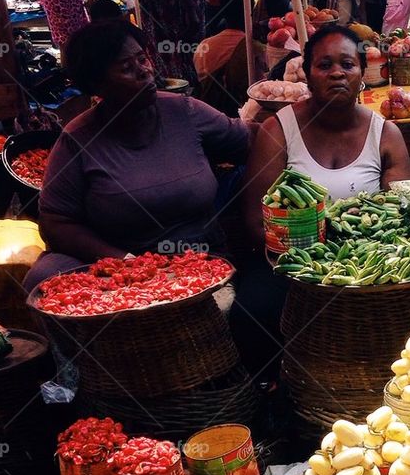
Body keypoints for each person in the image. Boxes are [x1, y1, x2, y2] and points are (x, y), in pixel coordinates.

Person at [26, 19, 250, 290]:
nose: (144, 71)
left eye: (143, 59)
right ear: (97, 85)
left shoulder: (185, 112)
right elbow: (56, 223)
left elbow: (250, 140)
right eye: (126, 68)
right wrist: (124, 261)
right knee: (43, 279)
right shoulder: (78, 139)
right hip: (120, 261)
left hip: (198, 255)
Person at [243, 24, 410, 238]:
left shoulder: (386, 135)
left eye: (348, 64)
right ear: (308, 76)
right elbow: (258, 221)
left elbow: (400, 215)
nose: (337, 73)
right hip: (296, 261)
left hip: (367, 262)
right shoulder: (277, 131)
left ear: (362, 74)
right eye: (324, 65)